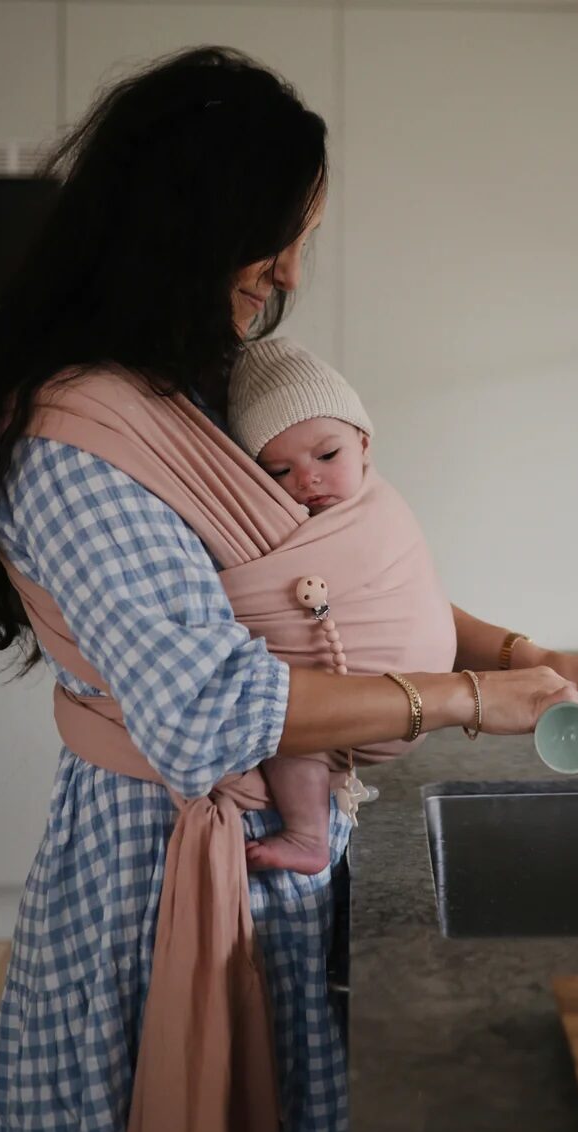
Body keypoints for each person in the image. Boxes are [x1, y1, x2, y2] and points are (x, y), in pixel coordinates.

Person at [0, 46, 578, 1132]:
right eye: (271, 240)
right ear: (181, 229)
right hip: (155, 870)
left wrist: (549, 658)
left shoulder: (194, 389)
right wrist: (474, 698)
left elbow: (354, 590)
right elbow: (209, 708)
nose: (284, 273)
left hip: (262, 855)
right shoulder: (73, 440)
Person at [226, 334, 453, 877]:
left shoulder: (383, 511)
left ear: (365, 445)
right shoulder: (271, 526)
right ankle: (308, 834)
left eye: (327, 455)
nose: (306, 478)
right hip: (329, 703)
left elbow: (409, 587)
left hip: (416, 696)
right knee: (288, 728)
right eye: (278, 472)